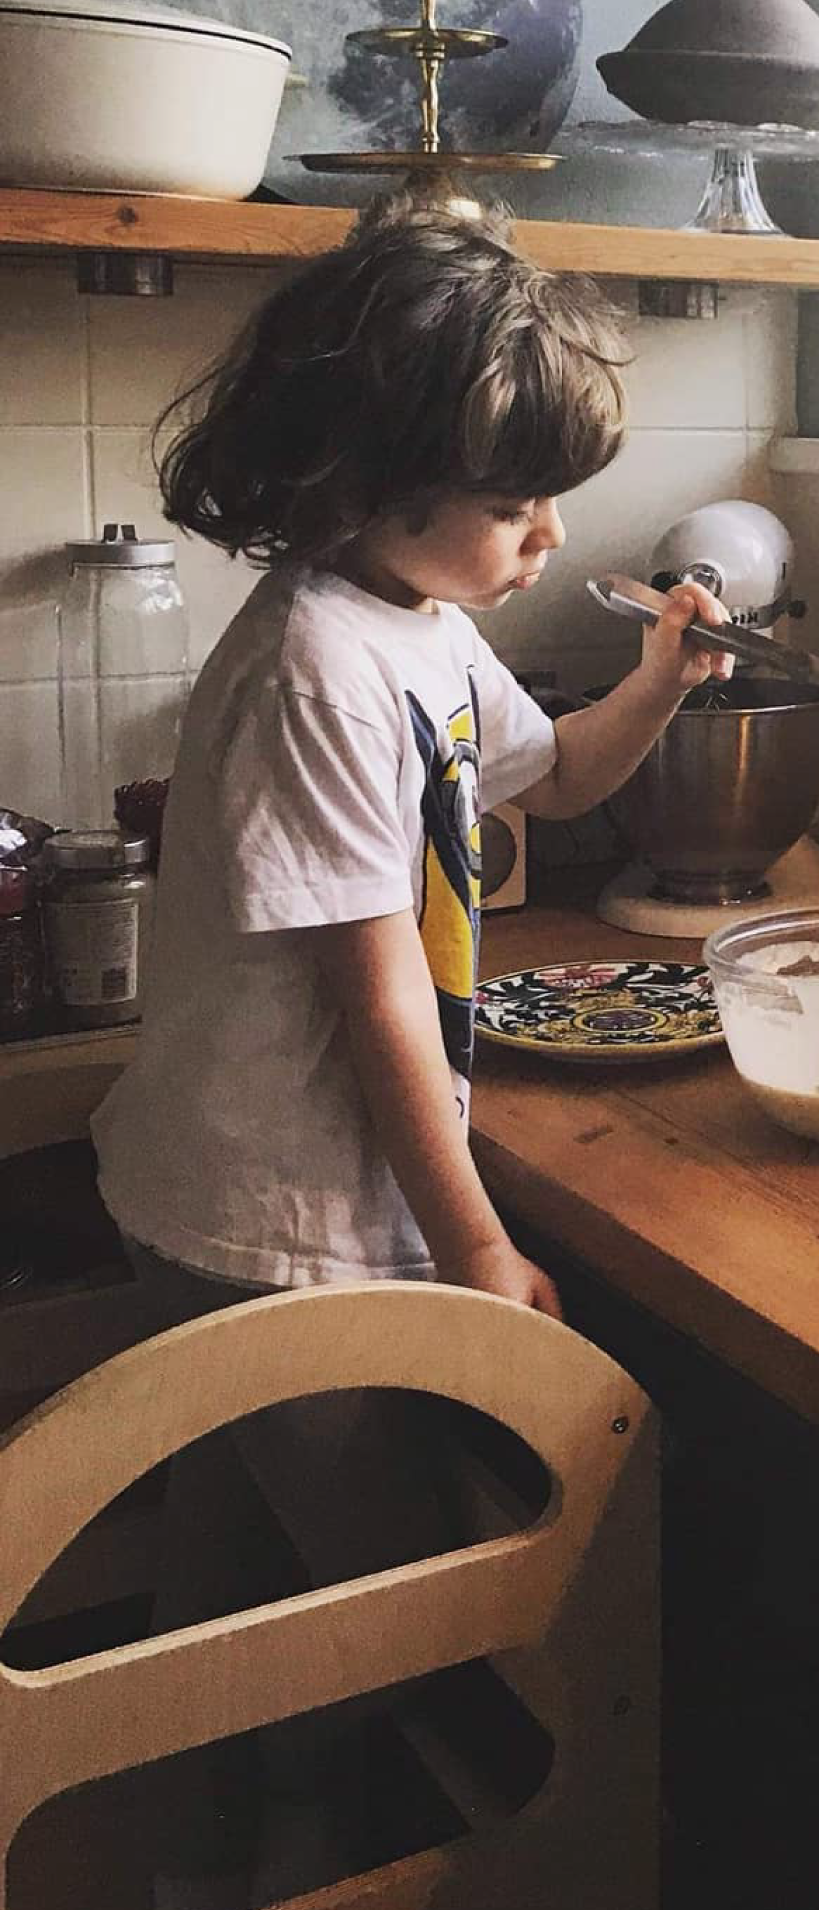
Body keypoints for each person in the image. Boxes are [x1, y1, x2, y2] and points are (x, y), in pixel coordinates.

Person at [88, 195, 730, 1906]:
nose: (544, 536)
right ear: (362, 483)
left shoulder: (422, 629)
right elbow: (380, 998)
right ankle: (349, 1861)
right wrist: (478, 1249)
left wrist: (666, 671)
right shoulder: (319, 659)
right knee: (395, 1606)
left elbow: (565, 776)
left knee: (242, 1591)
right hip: (267, 1230)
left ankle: (205, 1862)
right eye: (513, 505)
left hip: (256, 1205)